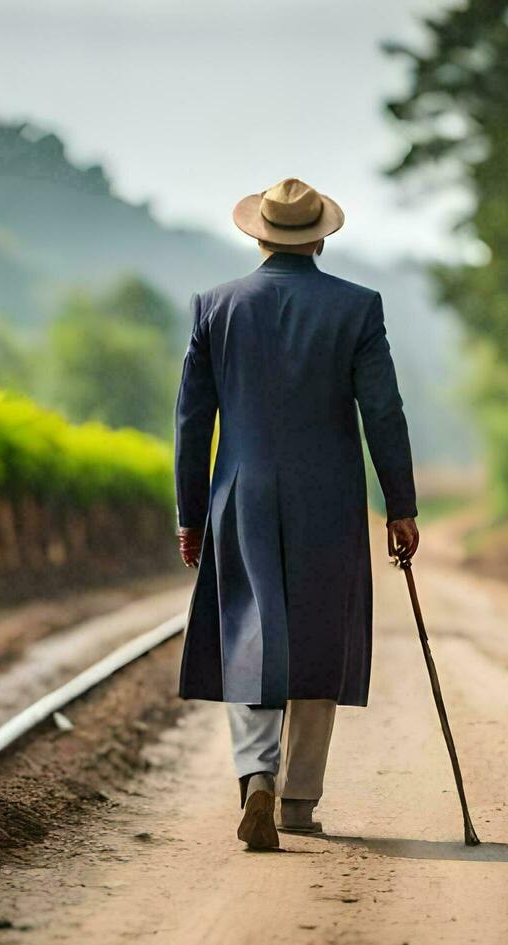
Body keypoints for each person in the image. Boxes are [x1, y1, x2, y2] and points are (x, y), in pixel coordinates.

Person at [173, 177, 420, 850]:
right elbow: (385, 413)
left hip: (240, 496)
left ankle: (258, 774)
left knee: (249, 633)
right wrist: (401, 506)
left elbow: (193, 424)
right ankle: (300, 801)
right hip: (330, 499)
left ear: (258, 235)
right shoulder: (356, 308)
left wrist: (190, 515)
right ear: (318, 237)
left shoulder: (214, 308)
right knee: (318, 641)